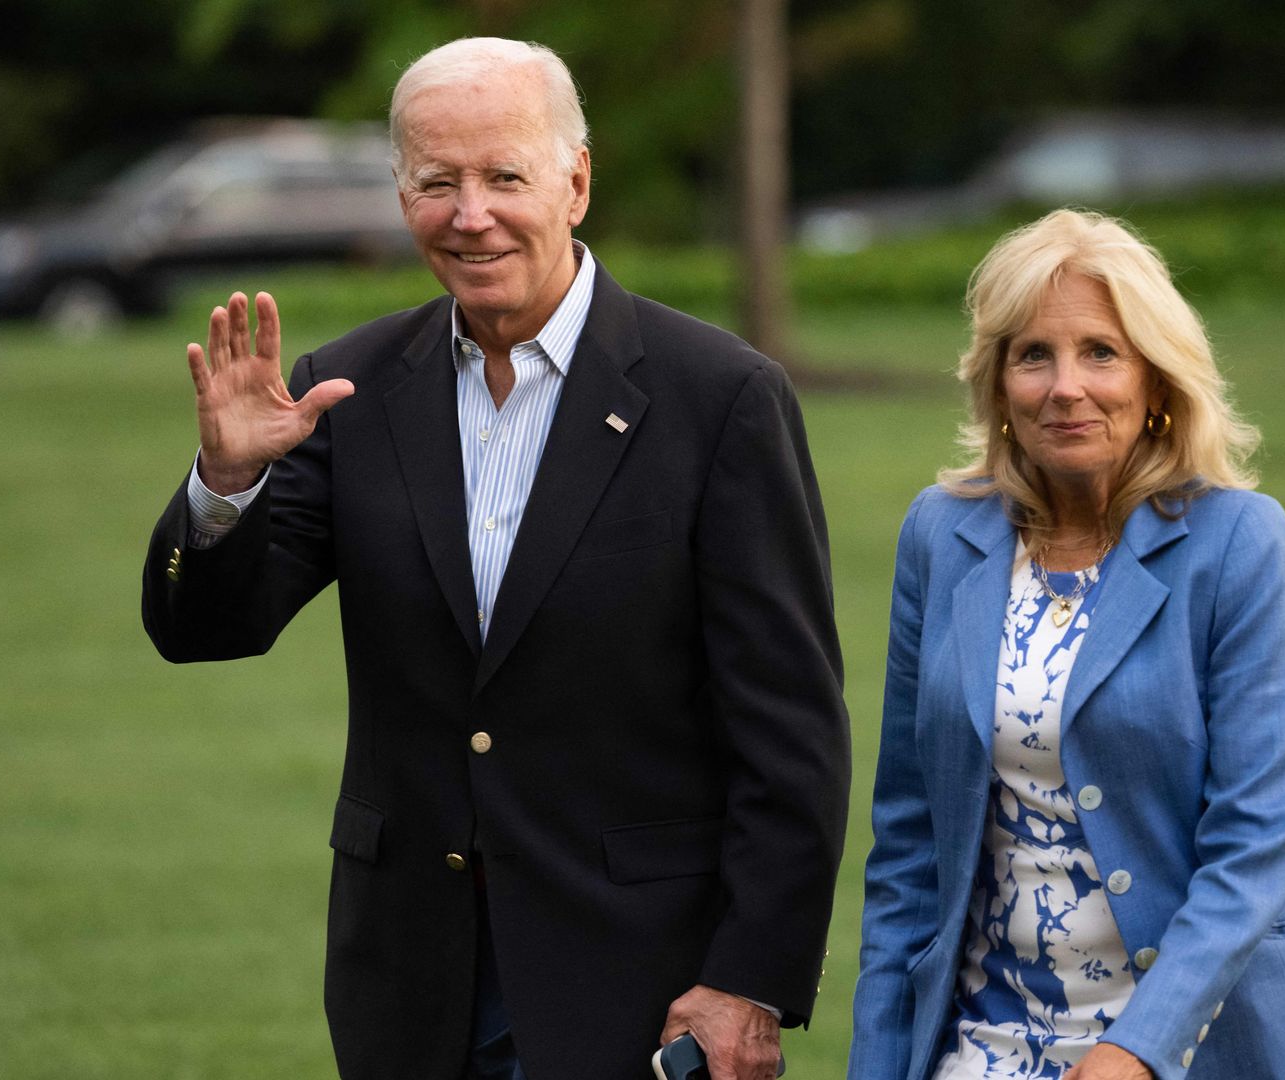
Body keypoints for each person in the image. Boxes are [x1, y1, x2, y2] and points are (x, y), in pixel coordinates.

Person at [141, 37, 850, 1080]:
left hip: (635, 990)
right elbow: (206, 631)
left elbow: (790, 730)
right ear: (401, 193)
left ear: (576, 181)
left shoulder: (719, 399)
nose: (470, 215)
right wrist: (227, 486)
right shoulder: (348, 391)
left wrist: (752, 980)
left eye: (504, 177)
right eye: (438, 183)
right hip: (411, 987)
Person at [846, 209, 1285, 1080]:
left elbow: (1256, 839)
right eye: (1033, 355)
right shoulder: (940, 536)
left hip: (1200, 1041)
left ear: (1158, 383)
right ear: (997, 385)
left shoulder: (1239, 542)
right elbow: (907, 847)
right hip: (984, 1044)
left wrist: (1135, 1051)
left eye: (1101, 351)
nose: (1066, 386)